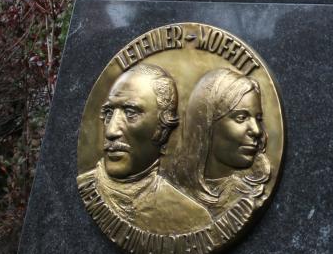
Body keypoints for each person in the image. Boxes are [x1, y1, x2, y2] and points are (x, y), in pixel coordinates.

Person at [77, 64, 210, 236]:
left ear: (163, 129)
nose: (111, 131)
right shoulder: (84, 187)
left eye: (131, 113)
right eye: (109, 113)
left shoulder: (193, 218)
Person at [171, 69, 271, 217]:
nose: (257, 131)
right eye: (241, 118)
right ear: (207, 124)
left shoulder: (247, 197)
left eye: (258, 118)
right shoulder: (167, 193)